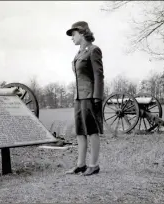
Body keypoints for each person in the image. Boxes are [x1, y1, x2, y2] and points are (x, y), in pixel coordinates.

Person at [65, 21, 104, 176]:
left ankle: (94, 165)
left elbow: (98, 75)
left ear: (82, 33)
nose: (72, 38)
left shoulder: (93, 50)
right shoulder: (78, 53)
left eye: (73, 34)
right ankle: (81, 165)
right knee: (80, 131)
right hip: (79, 97)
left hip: (90, 97)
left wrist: (97, 97)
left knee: (92, 130)